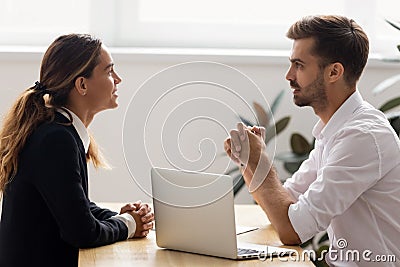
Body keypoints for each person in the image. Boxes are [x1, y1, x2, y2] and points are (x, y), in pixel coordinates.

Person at [225, 15, 400, 266]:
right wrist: (249, 162)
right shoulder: (336, 130)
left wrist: (259, 161)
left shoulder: (363, 137)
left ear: (334, 72)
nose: (288, 75)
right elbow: (286, 203)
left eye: (299, 65)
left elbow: (292, 230)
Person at [0, 34, 154, 267]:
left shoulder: (55, 130)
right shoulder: (57, 140)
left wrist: (118, 217)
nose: (118, 79)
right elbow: (83, 233)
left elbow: (72, 205)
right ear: (82, 84)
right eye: (109, 71)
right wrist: (128, 224)